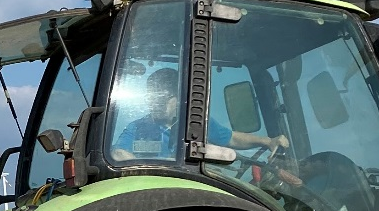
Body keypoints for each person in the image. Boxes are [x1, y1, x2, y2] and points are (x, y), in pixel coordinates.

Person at [112, 67, 289, 162]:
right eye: (151, 98)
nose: (155, 103)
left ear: (178, 98)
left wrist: (267, 141)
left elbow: (231, 139)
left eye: (162, 99)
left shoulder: (195, 125)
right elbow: (119, 153)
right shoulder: (138, 127)